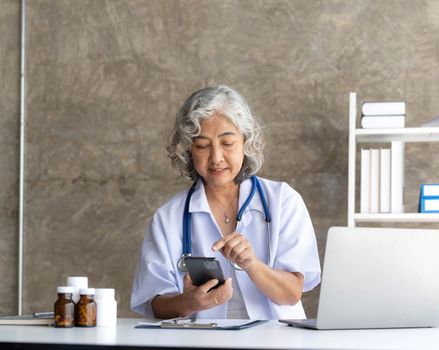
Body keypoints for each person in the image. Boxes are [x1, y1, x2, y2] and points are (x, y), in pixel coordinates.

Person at [130, 85, 320, 320]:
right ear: (188, 150)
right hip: (201, 344)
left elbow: (291, 293)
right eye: (202, 146)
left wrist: (251, 263)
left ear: (245, 142)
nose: (216, 158)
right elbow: (155, 304)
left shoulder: (283, 200)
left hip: (274, 342)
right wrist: (187, 303)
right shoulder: (168, 217)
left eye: (227, 143)